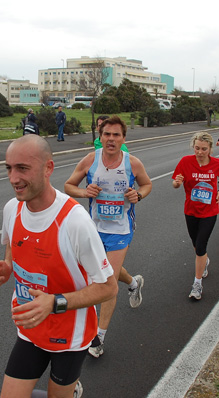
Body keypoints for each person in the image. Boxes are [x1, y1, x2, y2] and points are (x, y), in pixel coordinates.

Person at [0, 135, 118, 398]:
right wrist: (8, 267)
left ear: (48, 168)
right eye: (9, 168)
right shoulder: (12, 208)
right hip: (30, 327)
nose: (13, 178)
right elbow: (14, 244)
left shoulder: (75, 221)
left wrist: (53, 303)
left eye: (23, 168)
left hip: (70, 336)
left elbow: (108, 288)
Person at [64, 116, 152, 358]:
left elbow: (147, 185)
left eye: (116, 135)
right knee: (105, 272)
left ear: (123, 139)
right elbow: (68, 185)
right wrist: (84, 191)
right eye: (107, 134)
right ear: (100, 137)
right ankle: (134, 283)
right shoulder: (90, 160)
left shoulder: (132, 163)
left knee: (106, 282)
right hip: (94, 229)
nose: (111, 139)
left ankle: (98, 337)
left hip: (121, 229)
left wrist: (138, 195)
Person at [172, 132, 219, 300]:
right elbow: (175, 183)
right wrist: (177, 183)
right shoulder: (185, 162)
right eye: (197, 148)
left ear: (210, 149)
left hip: (210, 211)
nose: (200, 152)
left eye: (203, 149)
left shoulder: (217, 163)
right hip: (191, 211)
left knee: (201, 246)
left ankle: (197, 284)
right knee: (196, 245)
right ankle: (204, 261)